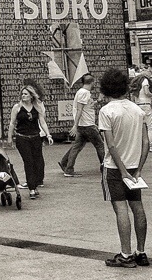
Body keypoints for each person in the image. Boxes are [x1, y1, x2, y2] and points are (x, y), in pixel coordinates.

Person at [98, 67, 150, 267]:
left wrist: (122, 171)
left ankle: (125, 254)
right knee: (137, 206)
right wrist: (138, 169)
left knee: (121, 209)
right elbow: (145, 143)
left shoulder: (106, 111)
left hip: (114, 168)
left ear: (106, 88)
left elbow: (110, 145)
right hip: (134, 166)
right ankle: (141, 252)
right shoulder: (137, 110)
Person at [7, 84, 52, 200]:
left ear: (31, 96)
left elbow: (42, 122)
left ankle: (35, 184)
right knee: (28, 162)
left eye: (26, 94)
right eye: (22, 94)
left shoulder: (37, 107)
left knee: (38, 162)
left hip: (35, 137)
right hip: (22, 138)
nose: (23, 96)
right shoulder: (17, 107)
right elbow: (12, 123)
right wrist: (9, 137)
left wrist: (48, 134)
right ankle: (31, 188)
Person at [59, 73, 105, 177]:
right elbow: (79, 110)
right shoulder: (84, 93)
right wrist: (75, 125)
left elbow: (86, 107)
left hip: (83, 124)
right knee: (100, 145)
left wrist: (98, 101)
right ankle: (105, 166)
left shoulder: (82, 92)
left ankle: (66, 165)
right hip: (87, 124)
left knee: (77, 146)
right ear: (92, 82)